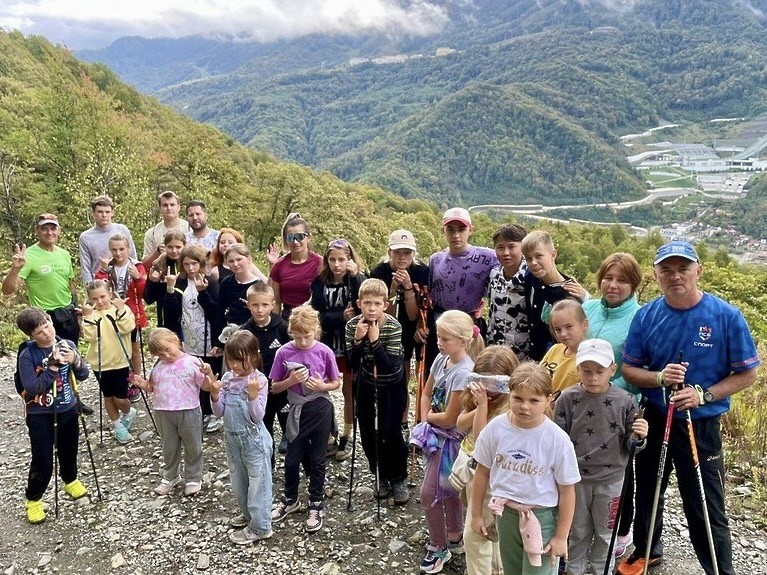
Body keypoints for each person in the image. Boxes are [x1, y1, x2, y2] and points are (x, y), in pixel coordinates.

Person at [617, 241, 759, 575]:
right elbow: (629, 370)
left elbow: (748, 373)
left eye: (683, 268)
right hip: (655, 416)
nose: (675, 276)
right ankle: (648, 550)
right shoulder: (647, 315)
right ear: (656, 275)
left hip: (702, 422)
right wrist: (660, 377)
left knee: (705, 504)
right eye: (666, 270)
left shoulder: (725, 316)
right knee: (649, 490)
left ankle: (720, 569)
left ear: (699, 270)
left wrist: (704, 395)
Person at [470, 363, 580, 575]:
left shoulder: (556, 439)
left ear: (549, 399)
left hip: (542, 517)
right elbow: (482, 471)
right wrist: (476, 514)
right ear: (509, 394)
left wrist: (561, 536)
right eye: (518, 398)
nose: (525, 407)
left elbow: (567, 490)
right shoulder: (496, 428)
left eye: (534, 400)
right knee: (511, 569)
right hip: (505, 513)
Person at [554, 339, 648, 575]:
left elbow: (632, 444)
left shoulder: (626, 401)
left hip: (611, 480)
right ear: (578, 369)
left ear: (612, 370)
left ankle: (601, 570)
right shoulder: (566, 398)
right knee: (577, 530)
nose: (593, 377)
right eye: (586, 371)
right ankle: (573, 570)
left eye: (599, 371)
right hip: (574, 481)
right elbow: (558, 440)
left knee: (606, 531)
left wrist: (640, 437)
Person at [411, 309, 485, 574]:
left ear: (464, 341)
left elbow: (451, 417)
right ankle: (454, 535)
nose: (439, 343)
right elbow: (426, 391)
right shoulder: (441, 360)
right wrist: (425, 418)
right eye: (439, 337)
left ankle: (438, 546)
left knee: (430, 493)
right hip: (434, 433)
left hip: (450, 439)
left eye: (446, 339)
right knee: (448, 489)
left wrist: (428, 417)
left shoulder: (464, 372)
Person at [581, 252, 642, 557]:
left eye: (622, 280)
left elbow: (637, 369)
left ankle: (620, 531)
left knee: (619, 471)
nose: (613, 285)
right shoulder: (588, 308)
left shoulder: (639, 318)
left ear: (634, 285)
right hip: (582, 402)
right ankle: (581, 527)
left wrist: (602, 389)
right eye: (608, 277)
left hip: (620, 407)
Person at [269, 306, 340, 533]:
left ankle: (316, 502)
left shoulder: (324, 351)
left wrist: (322, 386)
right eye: (297, 336)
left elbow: (335, 382)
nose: (301, 341)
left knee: (318, 458)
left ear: (316, 331)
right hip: (295, 407)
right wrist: (290, 381)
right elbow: (274, 386)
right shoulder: (283, 353)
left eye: (307, 336)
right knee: (291, 459)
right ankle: (290, 499)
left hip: (320, 406)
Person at [16, 308, 91, 524]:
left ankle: (70, 479)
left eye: (47, 325)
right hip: (40, 414)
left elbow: (83, 375)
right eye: (40, 332)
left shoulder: (67, 344)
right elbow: (32, 387)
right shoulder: (27, 355)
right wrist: (53, 367)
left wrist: (75, 360)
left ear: (51, 321)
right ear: (31, 336)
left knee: (69, 449)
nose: (47, 333)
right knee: (43, 459)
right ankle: (34, 499)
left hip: (68, 407)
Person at [454, 345, 518, 575]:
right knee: (487, 531)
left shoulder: (511, 407)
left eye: (496, 384)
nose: (490, 389)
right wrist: (479, 404)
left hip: (491, 474)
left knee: (477, 533)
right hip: (471, 469)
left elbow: (482, 441)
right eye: (484, 381)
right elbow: (460, 423)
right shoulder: (478, 396)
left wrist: (483, 406)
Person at [345, 278, 409, 503]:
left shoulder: (393, 326)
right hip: (366, 383)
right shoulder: (353, 325)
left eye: (377, 304)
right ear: (359, 303)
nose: (372, 308)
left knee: (390, 433)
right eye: (367, 303)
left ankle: (398, 476)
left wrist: (374, 342)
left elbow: (389, 364)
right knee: (368, 432)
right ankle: (379, 473)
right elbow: (352, 364)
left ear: (385, 304)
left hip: (391, 385)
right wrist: (357, 340)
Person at [132, 328, 214, 497]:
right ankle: (170, 475)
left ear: (176, 341)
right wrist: (141, 383)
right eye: (160, 354)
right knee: (168, 446)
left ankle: (193, 477)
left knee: (193, 445)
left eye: (168, 350)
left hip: (189, 409)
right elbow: (151, 387)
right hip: (163, 411)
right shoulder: (158, 366)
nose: (166, 356)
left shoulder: (193, 362)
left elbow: (206, 386)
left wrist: (208, 374)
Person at [210, 330, 273, 545]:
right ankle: (248, 515)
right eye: (230, 360)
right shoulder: (227, 378)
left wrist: (253, 396)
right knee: (239, 481)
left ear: (253, 356)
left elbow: (257, 417)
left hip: (253, 439)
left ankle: (261, 526)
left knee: (259, 483)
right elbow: (219, 412)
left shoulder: (259, 380)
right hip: (232, 438)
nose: (234, 365)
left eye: (240, 360)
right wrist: (215, 394)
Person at [423, 208, 497, 382]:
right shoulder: (436, 260)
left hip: (468, 325)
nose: (456, 235)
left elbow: (517, 264)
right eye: (451, 230)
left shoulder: (487, 257)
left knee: (468, 375)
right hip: (440, 325)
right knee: (438, 375)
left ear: (470, 230)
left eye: (461, 229)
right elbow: (428, 296)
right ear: (443, 231)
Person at [369, 229, 430, 427]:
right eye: (398, 253)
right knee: (386, 374)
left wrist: (409, 288)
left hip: (410, 329)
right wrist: (394, 290)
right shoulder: (379, 272)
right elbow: (385, 312)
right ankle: (387, 414)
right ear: (390, 253)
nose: (402, 257)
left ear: (414, 254)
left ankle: (403, 418)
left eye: (407, 253)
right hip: (386, 327)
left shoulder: (421, 272)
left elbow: (413, 315)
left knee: (403, 373)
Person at [311, 238, 364, 460]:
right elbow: (317, 314)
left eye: (342, 259)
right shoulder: (319, 283)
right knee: (321, 386)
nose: (337, 264)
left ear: (350, 260)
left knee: (349, 389)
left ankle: (348, 433)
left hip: (350, 343)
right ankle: (327, 431)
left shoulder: (356, 281)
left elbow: (365, 301)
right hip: (326, 341)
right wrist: (339, 316)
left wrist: (356, 276)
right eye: (332, 259)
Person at [162, 244, 222, 433]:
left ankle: (214, 411)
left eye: (194, 264)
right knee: (194, 373)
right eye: (186, 264)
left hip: (208, 336)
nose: (190, 268)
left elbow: (215, 312)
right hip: (188, 336)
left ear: (201, 263)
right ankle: (201, 411)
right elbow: (170, 313)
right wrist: (170, 290)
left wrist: (203, 292)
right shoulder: (178, 283)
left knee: (210, 372)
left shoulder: (210, 281)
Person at [3, 213, 80, 343]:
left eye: (53, 228)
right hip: (44, 319)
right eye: (44, 228)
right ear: (36, 230)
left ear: (59, 230)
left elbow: (70, 284)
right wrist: (15, 269)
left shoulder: (64, 254)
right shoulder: (28, 256)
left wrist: (77, 311)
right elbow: (7, 291)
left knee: (71, 357)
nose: (49, 232)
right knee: (48, 360)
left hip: (68, 316)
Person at [238, 282, 291, 465]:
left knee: (291, 429)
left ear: (273, 304)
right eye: (255, 305)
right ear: (248, 305)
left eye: (265, 305)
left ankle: (297, 468)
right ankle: (268, 466)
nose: (260, 310)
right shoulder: (244, 332)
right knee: (263, 429)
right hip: (259, 392)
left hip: (282, 389)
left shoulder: (283, 328)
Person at [81, 280, 137, 444]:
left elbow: (127, 327)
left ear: (110, 294)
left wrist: (120, 309)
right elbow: (90, 337)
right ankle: (117, 426)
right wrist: (87, 316)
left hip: (120, 362)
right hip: (100, 365)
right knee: (108, 397)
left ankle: (128, 412)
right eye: (94, 299)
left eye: (103, 296)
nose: (99, 301)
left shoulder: (121, 309)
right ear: (89, 300)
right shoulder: (91, 315)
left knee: (120, 399)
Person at [95, 233, 148, 398]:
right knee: (117, 347)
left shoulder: (137, 266)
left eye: (121, 249)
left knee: (134, 349)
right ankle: (121, 379)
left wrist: (138, 278)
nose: (118, 253)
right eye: (114, 250)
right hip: (111, 314)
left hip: (132, 313)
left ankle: (135, 380)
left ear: (128, 249)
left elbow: (144, 293)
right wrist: (103, 271)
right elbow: (98, 289)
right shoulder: (107, 267)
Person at [521, 230, 586, 361]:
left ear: (553, 255)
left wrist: (586, 297)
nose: (533, 262)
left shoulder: (568, 294)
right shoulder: (530, 277)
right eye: (528, 258)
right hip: (533, 356)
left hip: (555, 361)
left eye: (539, 256)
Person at [267, 213, 322, 320]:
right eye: (291, 238)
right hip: (288, 318)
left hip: (313, 316)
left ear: (308, 237)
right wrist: (276, 325)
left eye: (300, 236)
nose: (295, 241)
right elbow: (276, 302)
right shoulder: (279, 266)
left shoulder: (320, 263)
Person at [486, 223, 529, 358]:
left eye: (512, 247)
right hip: (495, 351)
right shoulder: (493, 275)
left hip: (524, 354)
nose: (505, 253)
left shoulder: (531, 277)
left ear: (523, 248)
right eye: (500, 247)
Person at [212, 244, 264, 350]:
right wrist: (219, 343)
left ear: (248, 259)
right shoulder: (226, 283)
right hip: (231, 336)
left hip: (252, 337)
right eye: (231, 261)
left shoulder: (259, 285)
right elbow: (220, 313)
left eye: (239, 259)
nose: (235, 264)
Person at [79, 195, 137, 284]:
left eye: (107, 212)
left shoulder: (122, 230)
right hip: (100, 284)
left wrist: (136, 279)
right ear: (93, 213)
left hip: (124, 281)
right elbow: (86, 267)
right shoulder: (86, 237)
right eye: (100, 212)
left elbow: (132, 256)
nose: (104, 215)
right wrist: (89, 288)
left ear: (112, 213)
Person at [540, 299, 589, 397]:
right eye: (557, 329)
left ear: (584, 325)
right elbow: (538, 377)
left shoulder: (589, 358)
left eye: (569, 326)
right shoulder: (555, 349)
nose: (563, 334)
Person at [143, 230, 186, 329]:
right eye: (170, 247)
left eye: (178, 247)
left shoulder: (189, 265)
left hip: (187, 319)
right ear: (165, 247)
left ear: (184, 246)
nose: (174, 250)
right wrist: (153, 282)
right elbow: (148, 299)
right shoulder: (158, 265)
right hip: (165, 321)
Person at [142, 191, 190, 269]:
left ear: (179, 207)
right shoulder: (152, 233)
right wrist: (157, 252)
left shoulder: (189, 229)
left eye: (172, 205)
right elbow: (145, 266)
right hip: (160, 276)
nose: (169, 208)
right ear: (160, 208)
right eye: (165, 205)